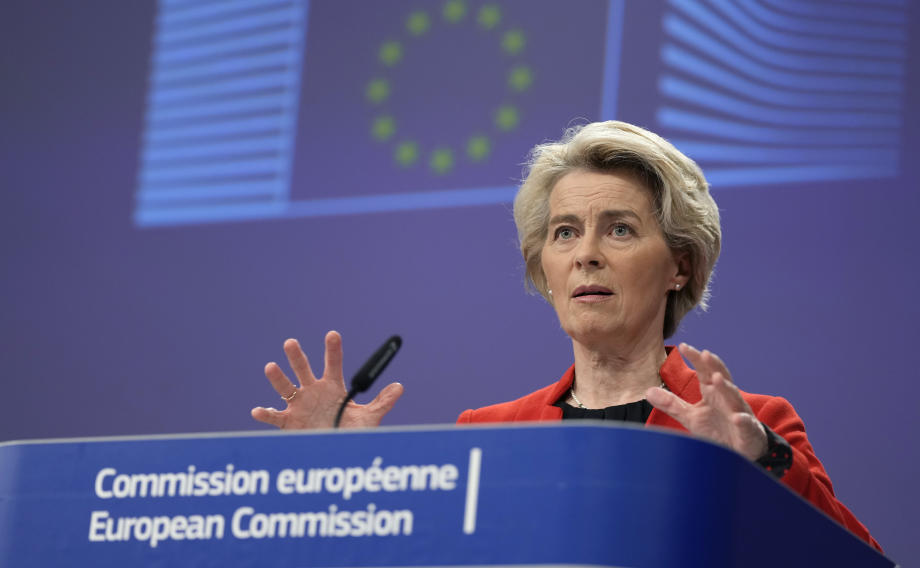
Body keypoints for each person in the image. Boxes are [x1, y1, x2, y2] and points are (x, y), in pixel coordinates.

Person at [251, 120, 881, 551]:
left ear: (679, 265)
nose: (586, 254)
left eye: (620, 229)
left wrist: (760, 467)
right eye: (564, 232)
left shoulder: (758, 426)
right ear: (543, 269)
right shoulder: (488, 433)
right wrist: (349, 478)